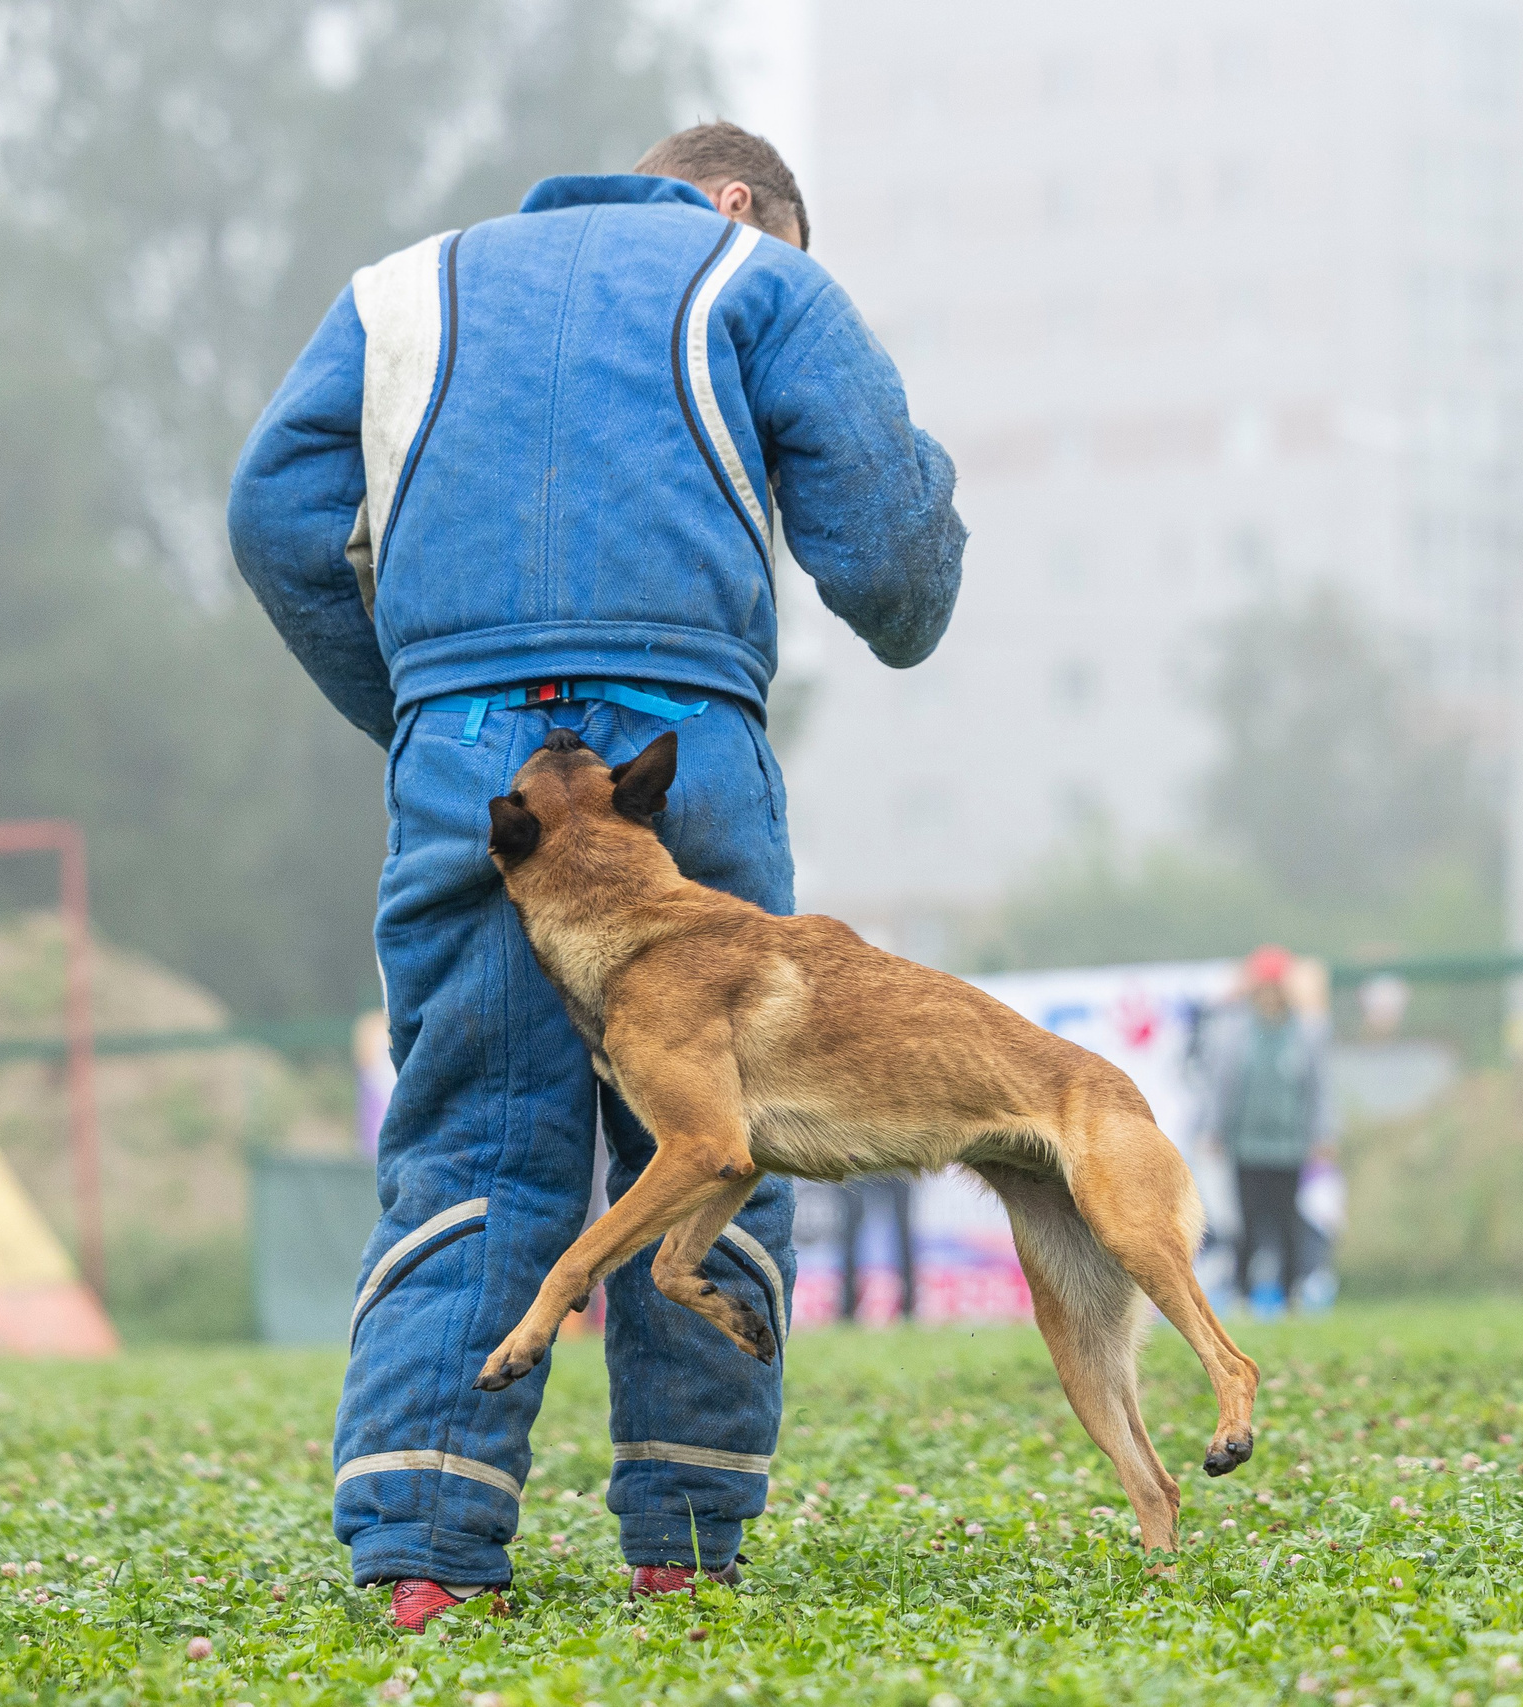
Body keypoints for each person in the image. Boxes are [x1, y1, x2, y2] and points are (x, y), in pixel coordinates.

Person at [230, 120, 965, 1626]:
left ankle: (426, 1555)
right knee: (714, 1133)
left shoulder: (400, 292)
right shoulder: (755, 279)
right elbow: (890, 563)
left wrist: (423, 716)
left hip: (472, 760)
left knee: (467, 1139)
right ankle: (682, 1538)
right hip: (676, 749)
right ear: (739, 202)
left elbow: (270, 515)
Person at [1195, 945, 1337, 1315]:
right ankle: (1241, 1293)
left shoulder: (1306, 1034)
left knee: (1288, 1222)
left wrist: (1323, 1136)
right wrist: (1213, 1131)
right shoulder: (1234, 1034)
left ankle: (1291, 1295)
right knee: (1246, 1222)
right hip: (1246, 1145)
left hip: (1290, 1146)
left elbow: (1318, 1090)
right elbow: (1221, 1087)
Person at [832, 1178, 918, 1324]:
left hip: (894, 1160)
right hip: (858, 1160)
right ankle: (846, 1310)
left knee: (904, 1230)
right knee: (850, 1230)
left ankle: (909, 1309)